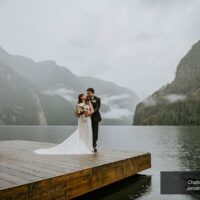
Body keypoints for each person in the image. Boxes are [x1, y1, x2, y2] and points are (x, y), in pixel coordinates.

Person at [86, 88, 102, 152]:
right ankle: (87, 145)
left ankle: (94, 146)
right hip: (87, 119)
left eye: (89, 93)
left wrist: (91, 113)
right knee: (88, 132)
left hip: (95, 118)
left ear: (92, 93)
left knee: (95, 133)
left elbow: (97, 108)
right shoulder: (86, 99)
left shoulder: (97, 99)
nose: (88, 94)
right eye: (87, 93)